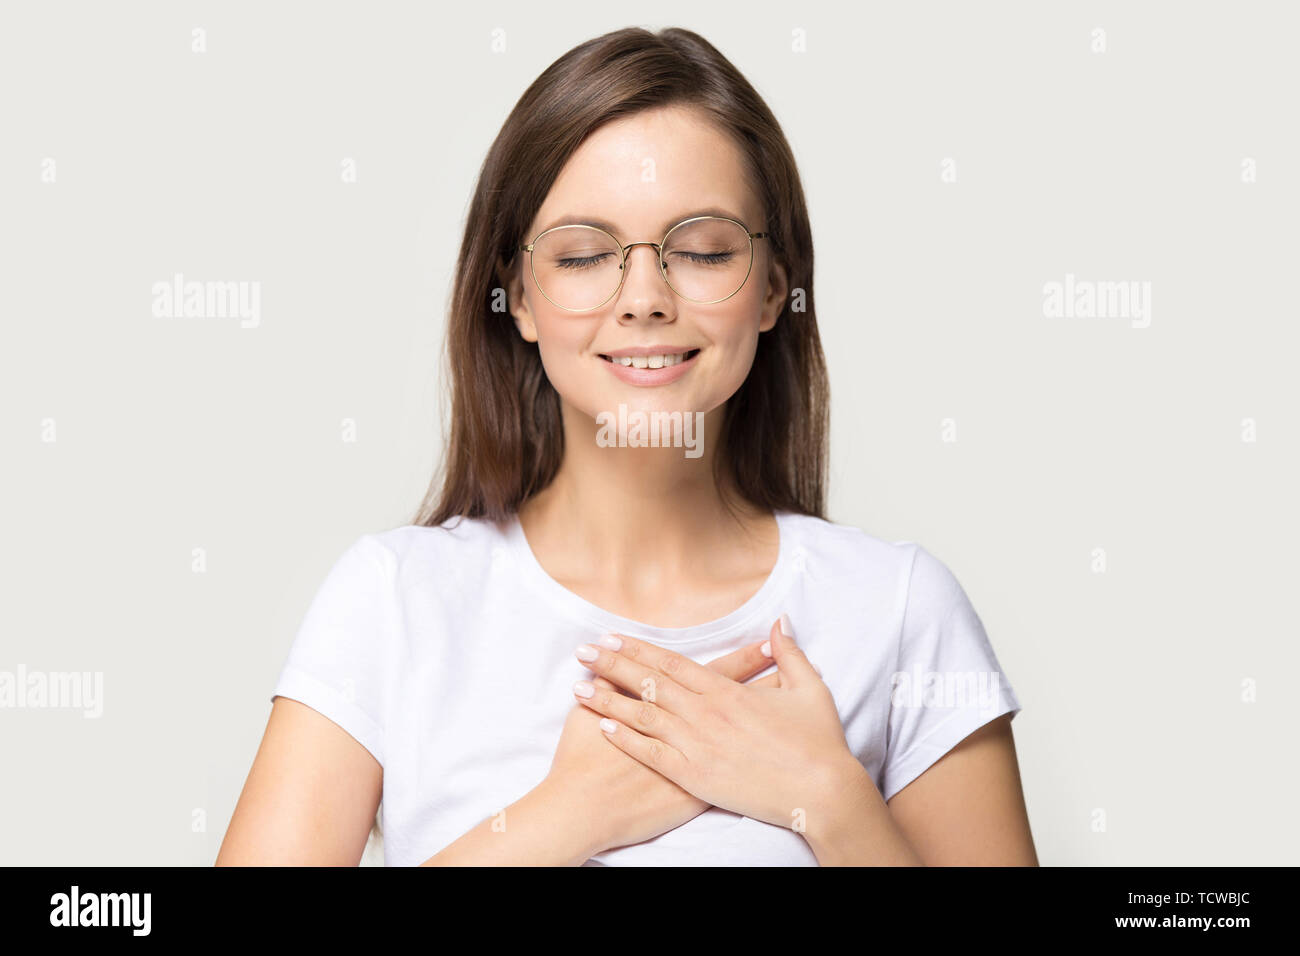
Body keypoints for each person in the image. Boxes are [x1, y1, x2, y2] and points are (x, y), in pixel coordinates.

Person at [217, 26, 1037, 866]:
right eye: (582, 256)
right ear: (520, 302)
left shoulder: (898, 609)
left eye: (701, 250)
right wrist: (564, 817)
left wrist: (827, 797)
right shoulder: (393, 603)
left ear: (771, 291)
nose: (643, 297)